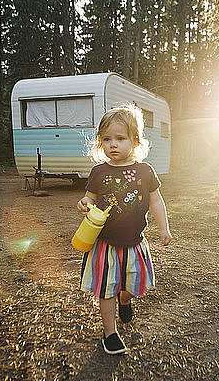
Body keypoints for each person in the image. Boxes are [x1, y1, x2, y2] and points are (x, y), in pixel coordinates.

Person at [76, 103, 172, 355]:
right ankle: (110, 333)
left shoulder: (145, 171)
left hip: (134, 242)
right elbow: (90, 198)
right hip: (104, 244)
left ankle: (125, 299)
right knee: (106, 289)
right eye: (106, 139)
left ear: (135, 141)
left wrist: (164, 228)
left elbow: (156, 200)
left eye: (120, 138)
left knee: (132, 286)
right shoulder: (99, 172)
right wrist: (85, 204)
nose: (113, 145)